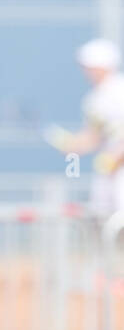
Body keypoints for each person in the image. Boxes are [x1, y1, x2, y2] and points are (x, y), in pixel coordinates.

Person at [43, 38, 124, 220]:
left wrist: (117, 155)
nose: (87, 71)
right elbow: (94, 135)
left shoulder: (120, 91)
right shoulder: (93, 100)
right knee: (102, 217)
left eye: (91, 66)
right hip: (108, 171)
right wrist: (73, 146)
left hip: (119, 169)